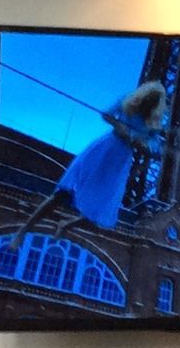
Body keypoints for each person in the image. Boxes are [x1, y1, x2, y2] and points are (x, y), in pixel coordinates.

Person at [10, 82, 168, 245]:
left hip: (119, 162)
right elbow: (106, 114)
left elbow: (155, 148)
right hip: (104, 149)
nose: (148, 103)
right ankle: (23, 229)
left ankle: (67, 224)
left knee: (102, 209)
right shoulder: (127, 101)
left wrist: (144, 146)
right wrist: (119, 126)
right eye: (148, 99)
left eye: (153, 101)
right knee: (63, 193)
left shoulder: (153, 123)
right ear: (143, 96)